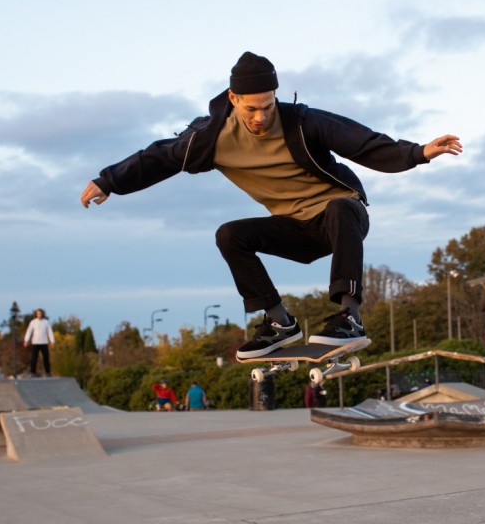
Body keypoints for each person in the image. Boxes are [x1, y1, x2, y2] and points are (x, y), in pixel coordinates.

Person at [80, 51, 462, 359]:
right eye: (251, 109)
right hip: (295, 229)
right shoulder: (209, 139)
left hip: (340, 217)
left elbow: (359, 141)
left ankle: (349, 315)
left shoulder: (301, 122)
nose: (262, 117)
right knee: (230, 235)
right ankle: (279, 322)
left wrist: (417, 152)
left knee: (341, 207)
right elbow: (160, 157)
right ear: (233, 100)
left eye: (268, 106)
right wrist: (109, 180)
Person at [23, 309, 55, 377]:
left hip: (44, 342)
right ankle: (32, 372)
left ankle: (48, 372)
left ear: (42, 314)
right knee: (34, 358)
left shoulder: (46, 322)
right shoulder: (33, 322)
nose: (39, 314)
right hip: (35, 342)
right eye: (38, 313)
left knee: (46, 358)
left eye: (40, 313)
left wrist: (52, 341)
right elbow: (29, 331)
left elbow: (50, 332)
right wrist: (26, 340)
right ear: (36, 314)